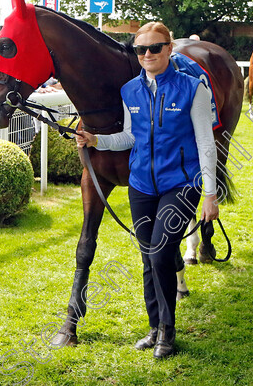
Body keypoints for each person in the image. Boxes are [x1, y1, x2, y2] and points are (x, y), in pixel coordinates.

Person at [75, 22, 218, 359]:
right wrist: (98, 141)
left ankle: (168, 332)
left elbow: (205, 142)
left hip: (182, 184)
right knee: (147, 255)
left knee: (160, 253)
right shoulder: (130, 91)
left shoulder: (193, 89)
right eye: (141, 49)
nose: (148, 55)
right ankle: (154, 328)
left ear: (169, 48)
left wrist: (209, 194)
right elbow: (130, 136)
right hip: (141, 185)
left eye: (155, 48)